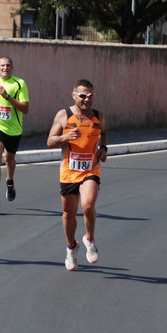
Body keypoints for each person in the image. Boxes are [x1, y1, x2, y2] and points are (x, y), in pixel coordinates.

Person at [47, 78, 107, 271]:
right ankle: (71, 246)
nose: (87, 100)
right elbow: (49, 140)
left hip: (90, 168)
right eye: (83, 96)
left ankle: (89, 239)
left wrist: (103, 148)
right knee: (68, 213)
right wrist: (64, 137)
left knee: (88, 205)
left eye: (90, 96)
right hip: (69, 171)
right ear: (74, 96)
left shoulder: (99, 116)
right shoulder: (64, 115)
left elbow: (103, 133)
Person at [0, 56, 30, 208]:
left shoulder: (19, 83)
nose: (5, 68)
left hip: (14, 129)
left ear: (12, 67)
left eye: (8, 65)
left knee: (9, 160)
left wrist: (7, 97)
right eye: (2, 65)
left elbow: (25, 108)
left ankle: (10, 181)